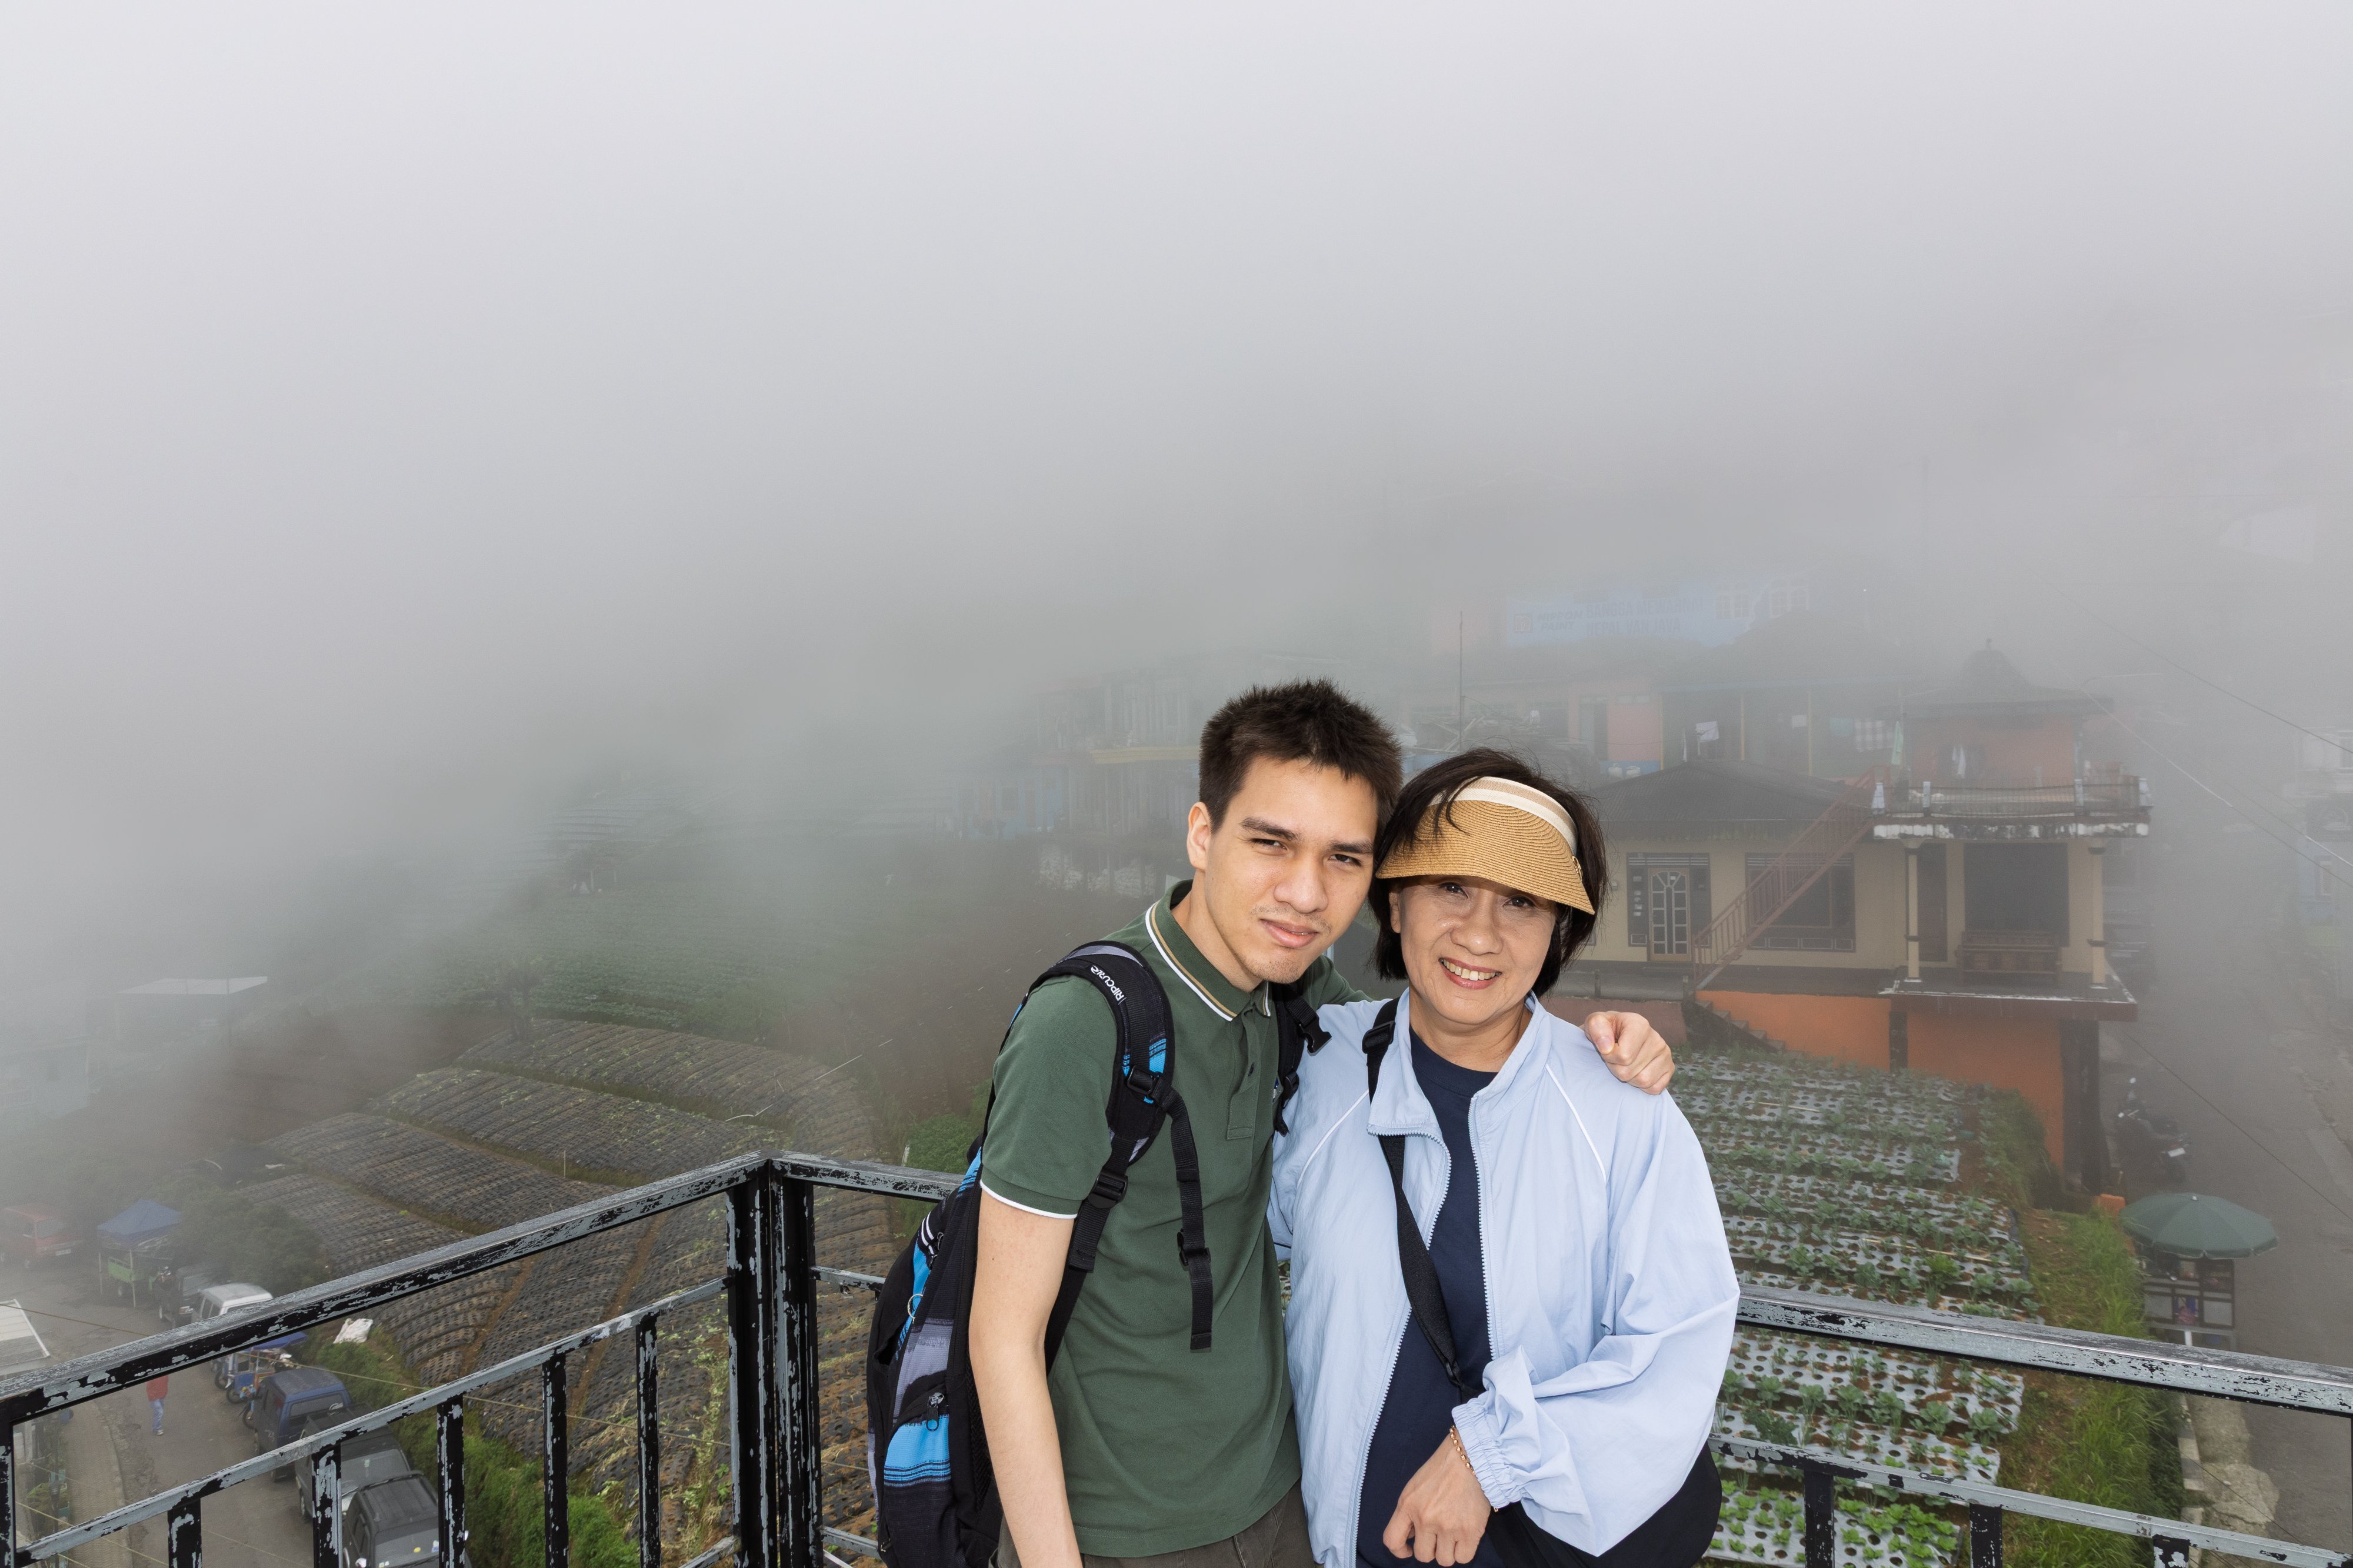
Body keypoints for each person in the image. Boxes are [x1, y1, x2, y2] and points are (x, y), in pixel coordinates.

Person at [971, 685, 1679, 1568]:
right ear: (1203, 833)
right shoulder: (1089, 1023)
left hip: (1285, 1505)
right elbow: (1001, 1334)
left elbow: (1457, 1002)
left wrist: (1600, 1046)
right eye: (1271, 842)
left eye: (1343, 857)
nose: (1305, 893)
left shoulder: (1303, 1009)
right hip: (1125, 1528)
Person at [1272, 749, 1737, 1568]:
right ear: (1396, 902)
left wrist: (1489, 1457)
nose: (1479, 932)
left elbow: (1677, 1348)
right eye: (1451, 886)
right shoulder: (1316, 1070)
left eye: (1521, 900)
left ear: (1560, 931)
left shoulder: (1619, 1111)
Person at [146, 1372, 168, 1436]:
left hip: (161, 1396)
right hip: (154, 1398)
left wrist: (164, 1393)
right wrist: (153, 1397)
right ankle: (158, 1429)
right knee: (159, 1412)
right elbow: (148, 1388)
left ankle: (155, 1428)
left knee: (157, 1413)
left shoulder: (165, 1374)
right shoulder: (152, 1375)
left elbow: (165, 1383)